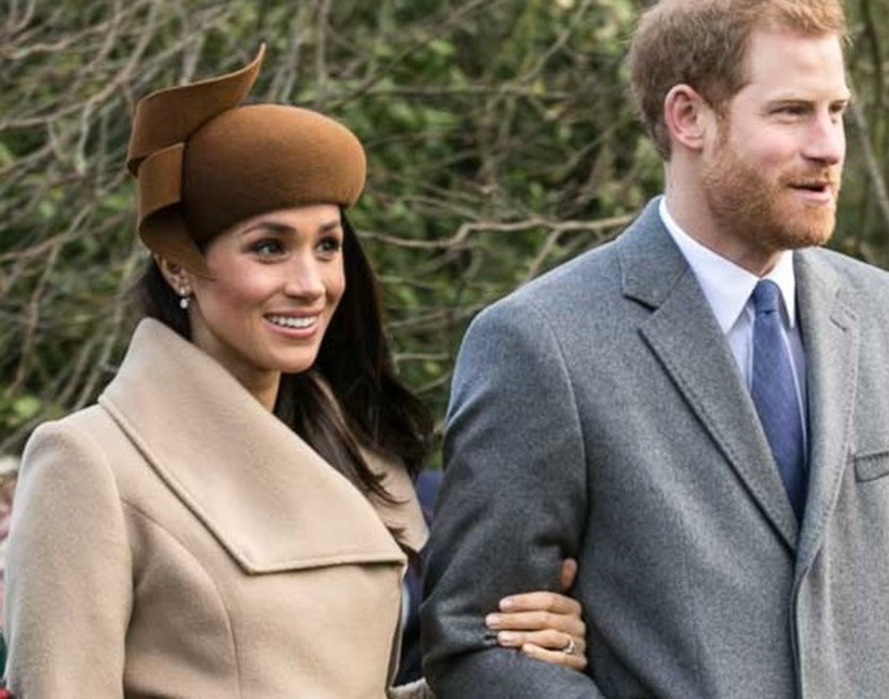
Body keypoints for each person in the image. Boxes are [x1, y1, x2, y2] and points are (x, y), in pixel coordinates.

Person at [422, 0, 889, 698]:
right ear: (688, 117)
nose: (829, 145)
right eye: (791, 112)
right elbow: (474, 646)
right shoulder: (539, 343)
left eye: (836, 111)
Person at [3, 45, 587, 698]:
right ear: (178, 266)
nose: (310, 284)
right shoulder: (87, 464)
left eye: (327, 245)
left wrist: (514, 650)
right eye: (269, 247)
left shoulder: (354, 452)